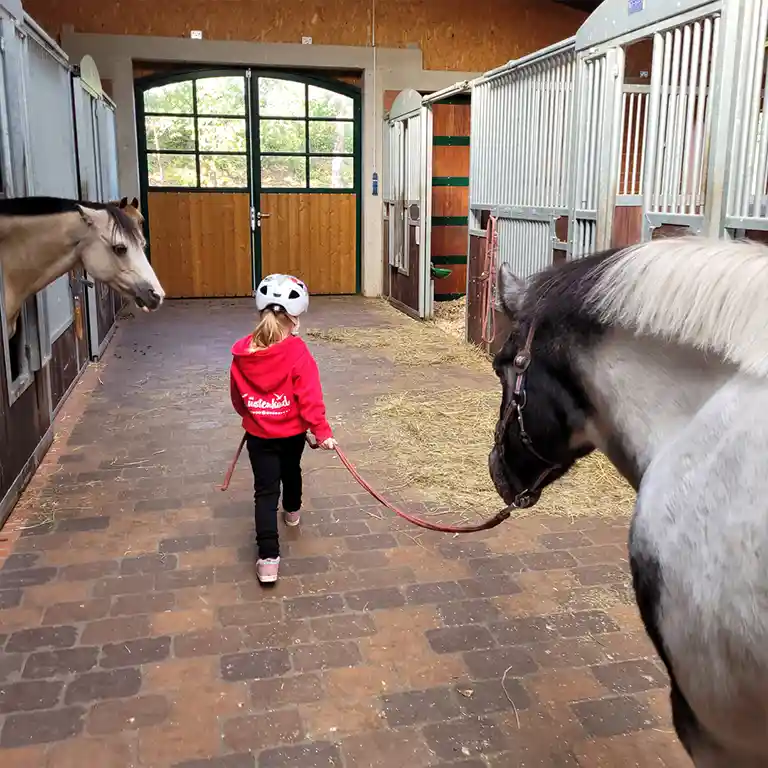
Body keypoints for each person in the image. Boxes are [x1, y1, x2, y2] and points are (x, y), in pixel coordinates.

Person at [229, 274, 336, 584]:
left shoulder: (242, 355)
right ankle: (292, 511)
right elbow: (310, 398)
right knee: (291, 471)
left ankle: (268, 559)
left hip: (258, 436)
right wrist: (322, 431)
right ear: (293, 319)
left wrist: (254, 416)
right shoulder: (297, 353)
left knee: (264, 492)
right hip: (291, 435)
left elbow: (238, 399)